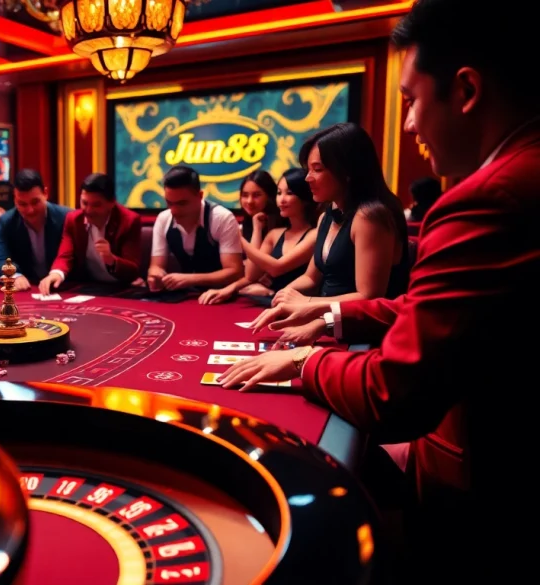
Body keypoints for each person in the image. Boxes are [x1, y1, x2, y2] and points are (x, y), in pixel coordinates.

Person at [219, 0, 539, 579]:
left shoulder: (489, 197)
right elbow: (424, 308)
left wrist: (306, 362)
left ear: (465, 90)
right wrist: (333, 319)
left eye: (412, 102)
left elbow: (395, 394)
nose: (410, 125)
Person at [270, 123, 409, 309]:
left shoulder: (370, 218)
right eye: (308, 170)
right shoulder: (328, 214)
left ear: (347, 171)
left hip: (364, 332)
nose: (307, 178)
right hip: (327, 321)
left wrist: (306, 303)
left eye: (317, 169)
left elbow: (369, 297)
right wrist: (283, 297)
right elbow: (311, 277)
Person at [199, 168, 319, 304]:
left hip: (298, 304)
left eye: (289, 193)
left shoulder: (315, 233)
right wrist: (256, 229)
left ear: (304, 197)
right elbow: (251, 274)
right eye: (279, 193)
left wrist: (237, 235)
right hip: (272, 301)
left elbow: (276, 268)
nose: (281, 199)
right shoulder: (275, 234)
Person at [39, 173, 141, 296]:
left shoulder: (129, 221)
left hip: (121, 288)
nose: (88, 211)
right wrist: (56, 273)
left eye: (96, 205)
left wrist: (111, 260)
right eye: (84, 203)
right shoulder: (73, 220)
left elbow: (133, 269)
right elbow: (65, 255)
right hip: (88, 286)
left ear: (112, 202)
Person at [147, 165, 244, 292]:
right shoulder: (163, 219)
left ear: (200, 196)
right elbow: (155, 267)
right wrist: (155, 275)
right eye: (169, 203)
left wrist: (190, 279)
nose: (174, 211)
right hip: (185, 296)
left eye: (182, 203)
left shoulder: (221, 218)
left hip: (222, 295)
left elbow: (235, 272)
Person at [0, 169, 69, 291]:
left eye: (35, 202)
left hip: (64, 288)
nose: (30, 210)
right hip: (28, 290)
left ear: (45, 193)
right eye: (22, 204)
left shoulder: (66, 217)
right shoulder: (7, 221)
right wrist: (15, 275)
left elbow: (73, 258)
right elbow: (0, 258)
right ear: (14, 199)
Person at [238, 169, 281, 246]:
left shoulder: (280, 226)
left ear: (270, 196)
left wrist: (257, 230)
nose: (249, 201)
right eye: (245, 195)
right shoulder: (244, 224)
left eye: (256, 195)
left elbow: (254, 257)